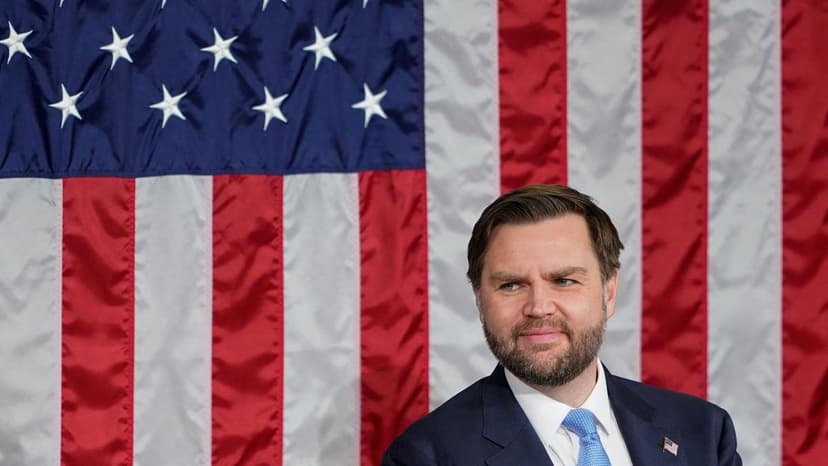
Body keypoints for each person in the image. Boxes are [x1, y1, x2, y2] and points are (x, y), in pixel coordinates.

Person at [382, 184, 742, 466]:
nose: (539, 307)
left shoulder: (703, 433)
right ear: (479, 299)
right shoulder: (426, 455)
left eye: (564, 281)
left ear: (609, 292)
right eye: (511, 285)